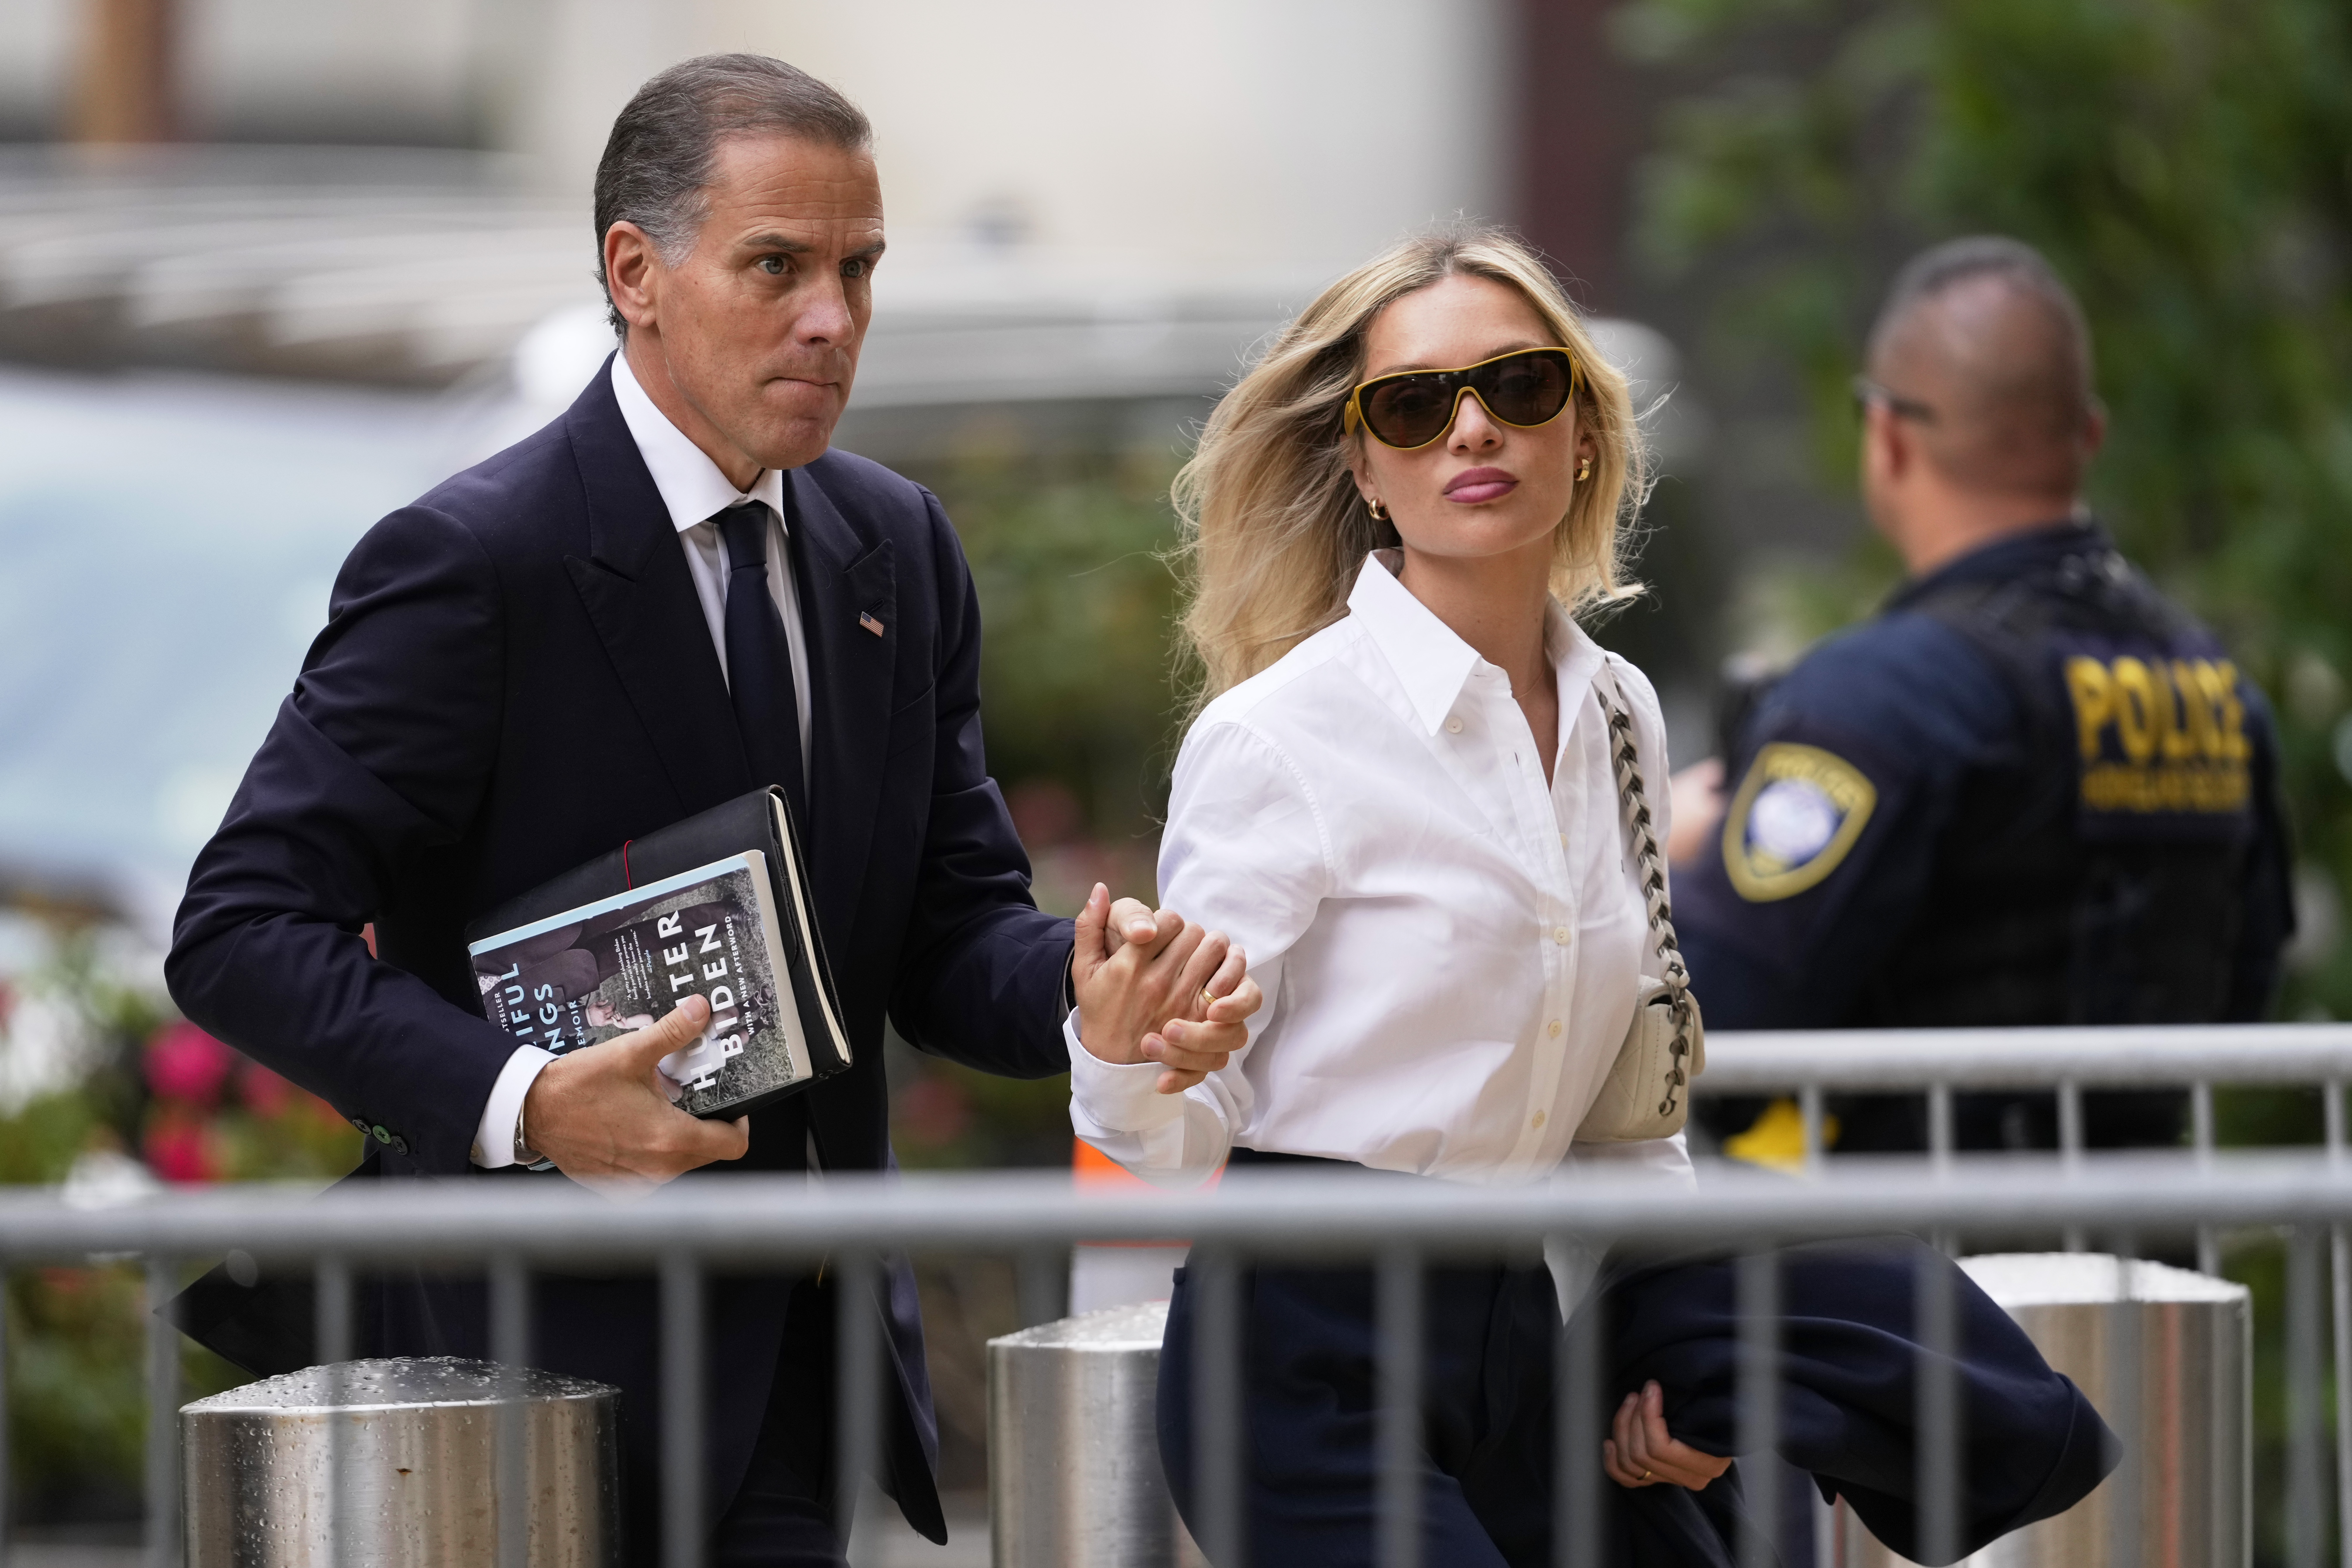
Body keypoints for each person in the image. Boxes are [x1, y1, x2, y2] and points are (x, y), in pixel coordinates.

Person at [164, 54, 1260, 1568]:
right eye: (778, 266)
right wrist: (529, 1102)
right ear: (637, 272)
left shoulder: (893, 544)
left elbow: (944, 931)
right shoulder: (476, 560)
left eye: (859, 269)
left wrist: (1092, 992)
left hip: (800, 1369)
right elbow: (237, 930)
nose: (833, 316)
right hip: (518, 1384)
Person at [1067, 227, 2114, 1567]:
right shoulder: (1278, 738)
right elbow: (1180, 1131)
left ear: (1578, 430)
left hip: (1534, 1321)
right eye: (1410, 404)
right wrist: (1129, 1049)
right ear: (1363, 466)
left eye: (1517, 385)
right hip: (1306, 1358)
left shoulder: (1617, 711)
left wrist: (1676, 1363)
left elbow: (1630, 1109)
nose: (1470, 429)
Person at [1671, 237, 2295, 1157]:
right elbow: (2245, 979)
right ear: (2086, 434)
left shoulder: (1883, 694)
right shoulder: (2216, 690)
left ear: (1883, 435)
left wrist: (1682, 858)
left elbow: (1722, 1026)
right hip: (2150, 1263)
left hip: (1918, 1278)